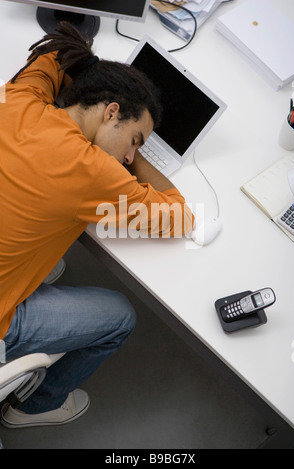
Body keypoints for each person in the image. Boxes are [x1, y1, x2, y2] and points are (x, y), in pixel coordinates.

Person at [0, 22, 194, 428]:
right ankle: (35, 407)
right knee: (120, 316)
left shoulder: (21, 100)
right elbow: (179, 215)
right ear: (110, 113)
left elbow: (50, 57)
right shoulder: (92, 173)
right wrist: (127, 159)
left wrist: (103, 89)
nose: (130, 156)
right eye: (137, 138)